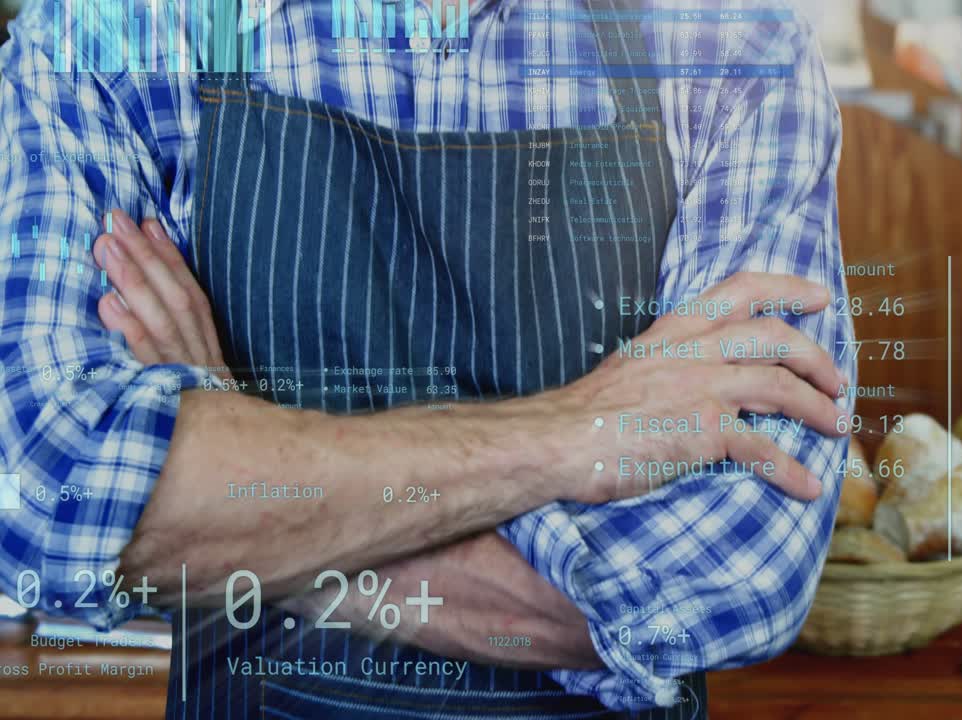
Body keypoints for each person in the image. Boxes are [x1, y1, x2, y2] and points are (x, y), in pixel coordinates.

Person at [0, 0, 855, 716]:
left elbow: (737, 573)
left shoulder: (734, 47)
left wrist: (242, 507)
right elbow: (48, 495)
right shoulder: (114, 36)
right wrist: (566, 434)